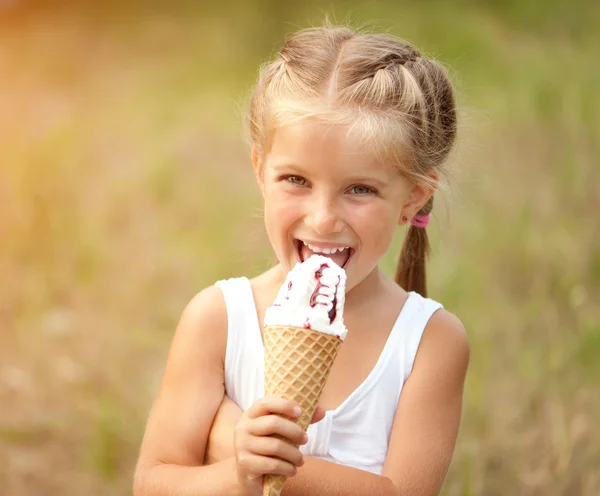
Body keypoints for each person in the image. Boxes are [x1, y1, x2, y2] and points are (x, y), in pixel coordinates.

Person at [134, 22, 470, 496]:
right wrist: (237, 472)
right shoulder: (218, 320)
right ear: (260, 171)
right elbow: (153, 483)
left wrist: (237, 445)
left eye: (359, 189)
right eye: (295, 179)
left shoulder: (430, 342)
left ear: (413, 198)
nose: (323, 218)